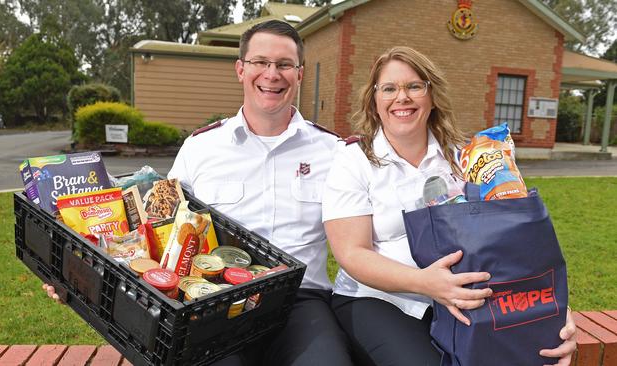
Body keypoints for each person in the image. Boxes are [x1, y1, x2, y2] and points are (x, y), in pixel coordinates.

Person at [321, 46, 576, 366]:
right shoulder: (353, 160)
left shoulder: (466, 158)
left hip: (465, 297)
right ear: (374, 100)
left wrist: (550, 312)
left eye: (415, 86)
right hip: (378, 299)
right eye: (389, 88)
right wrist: (427, 283)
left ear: (432, 95)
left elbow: (511, 241)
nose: (402, 97)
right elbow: (352, 253)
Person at [166, 20, 353, 366]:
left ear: (299, 74)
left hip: (302, 303)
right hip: (216, 300)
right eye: (260, 63)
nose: (272, 74)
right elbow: (162, 232)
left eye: (284, 65)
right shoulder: (200, 147)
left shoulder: (335, 151)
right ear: (240, 69)